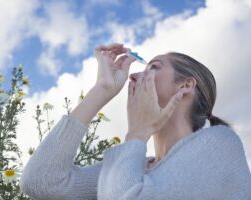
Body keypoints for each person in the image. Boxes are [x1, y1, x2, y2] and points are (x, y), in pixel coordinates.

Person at [20, 43, 251, 199]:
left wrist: (137, 133)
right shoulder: (135, 167)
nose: (133, 75)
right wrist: (102, 90)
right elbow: (41, 181)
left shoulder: (220, 144)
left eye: (153, 67)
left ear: (185, 85)